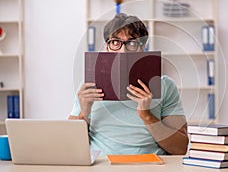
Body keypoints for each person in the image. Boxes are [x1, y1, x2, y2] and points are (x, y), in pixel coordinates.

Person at [69, 13, 188, 155]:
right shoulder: (89, 86)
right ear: (107, 47)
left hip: (150, 166)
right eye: (115, 42)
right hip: (103, 166)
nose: (123, 51)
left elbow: (181, 148)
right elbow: (70, 147)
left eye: (132, 43)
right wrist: (84, 112)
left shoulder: (166, 86)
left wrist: (147, 115)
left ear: (142, 47)